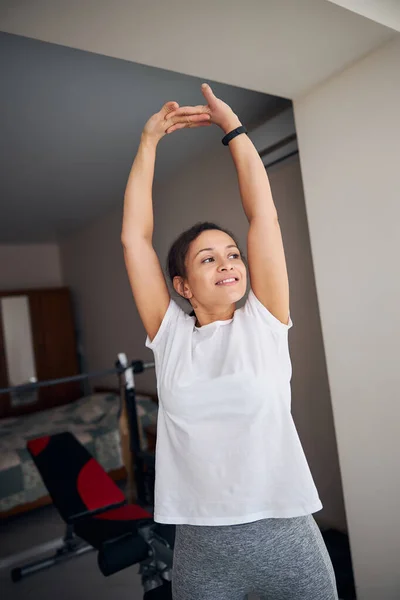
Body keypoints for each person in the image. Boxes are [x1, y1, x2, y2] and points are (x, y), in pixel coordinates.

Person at [122, 83, 338, 600]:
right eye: (207, 258)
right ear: (182, 286)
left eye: (233, 254)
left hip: (287, 537)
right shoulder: (170, 335)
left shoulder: (263, 322)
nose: (228, 263)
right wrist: (148, 142)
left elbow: (263, 216)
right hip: (201, 548)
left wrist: (233, 129)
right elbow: (135, 238)